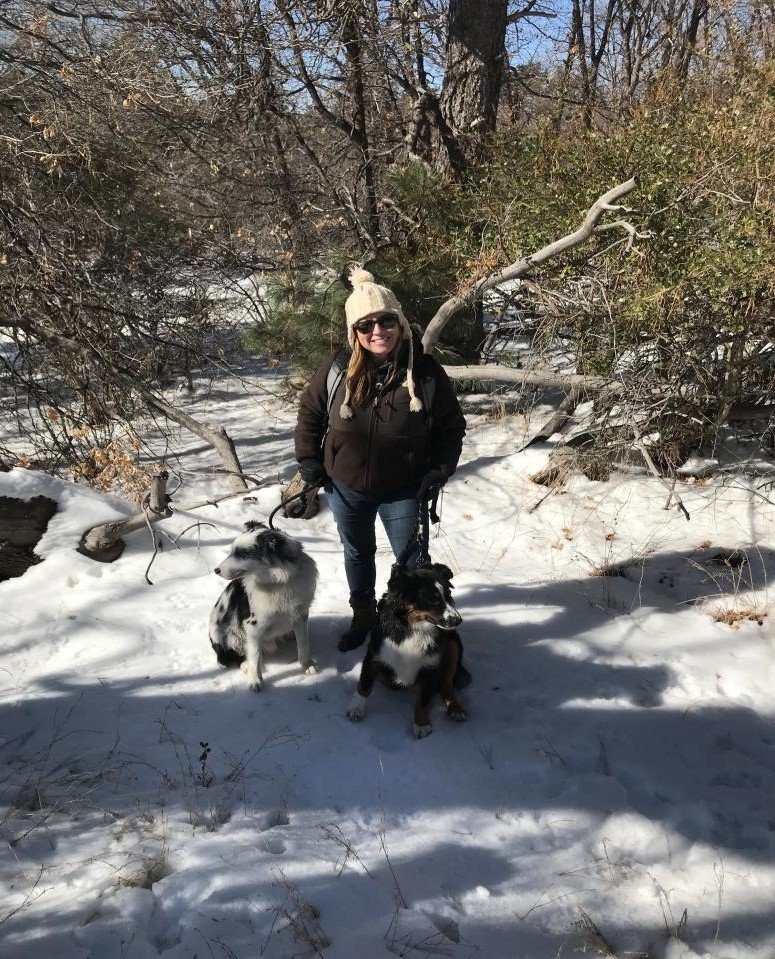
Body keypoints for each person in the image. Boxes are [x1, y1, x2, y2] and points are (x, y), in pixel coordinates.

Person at [294, 267, 466, 651]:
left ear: (400, 322)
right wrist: (309, 460)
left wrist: (439, 470)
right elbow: (310, 413)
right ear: (354, 332)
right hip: (345, 486)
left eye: (386, 320)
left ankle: (419, 629)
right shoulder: (338, 368)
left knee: (414, 564)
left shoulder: (425, 372)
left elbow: (452, 427)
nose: (378, 331)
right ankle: (365, 615)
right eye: (366, 324)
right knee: (358, 552)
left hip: (405, 488)